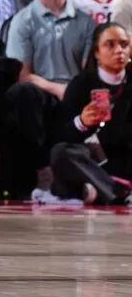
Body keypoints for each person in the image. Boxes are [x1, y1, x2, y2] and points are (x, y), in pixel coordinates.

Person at [3, 0, 96, 199]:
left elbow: (88, 71)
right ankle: (42, 171)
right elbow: (22, 74)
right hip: (42, 95)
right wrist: (58, 89)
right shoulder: (23, 21)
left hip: (75, 94)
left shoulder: (85, 21)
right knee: (24, 93)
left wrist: (73, 90)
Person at [50, 22, 132, 205]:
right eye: (110, 45)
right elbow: (60, 135)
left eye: (124, 44)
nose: (119, 50)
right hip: (89, 162)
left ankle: (95, 192)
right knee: (61, 152)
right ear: (96, 52)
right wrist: (81, 122)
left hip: (124, 157)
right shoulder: (81, 84)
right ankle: (116, 191)